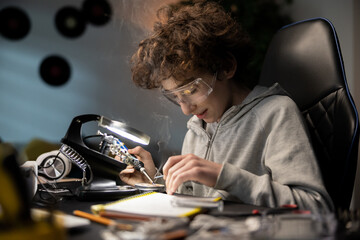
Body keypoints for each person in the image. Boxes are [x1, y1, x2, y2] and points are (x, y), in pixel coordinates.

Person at [119, 0, 334, 213]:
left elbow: (316, 206)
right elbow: (193, 206)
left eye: (191, 90)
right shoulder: (196, 130)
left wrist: (225, 177)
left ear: (226, 67)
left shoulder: (276, 114)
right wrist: (151, 182)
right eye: (176, 97)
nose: (186, 110)